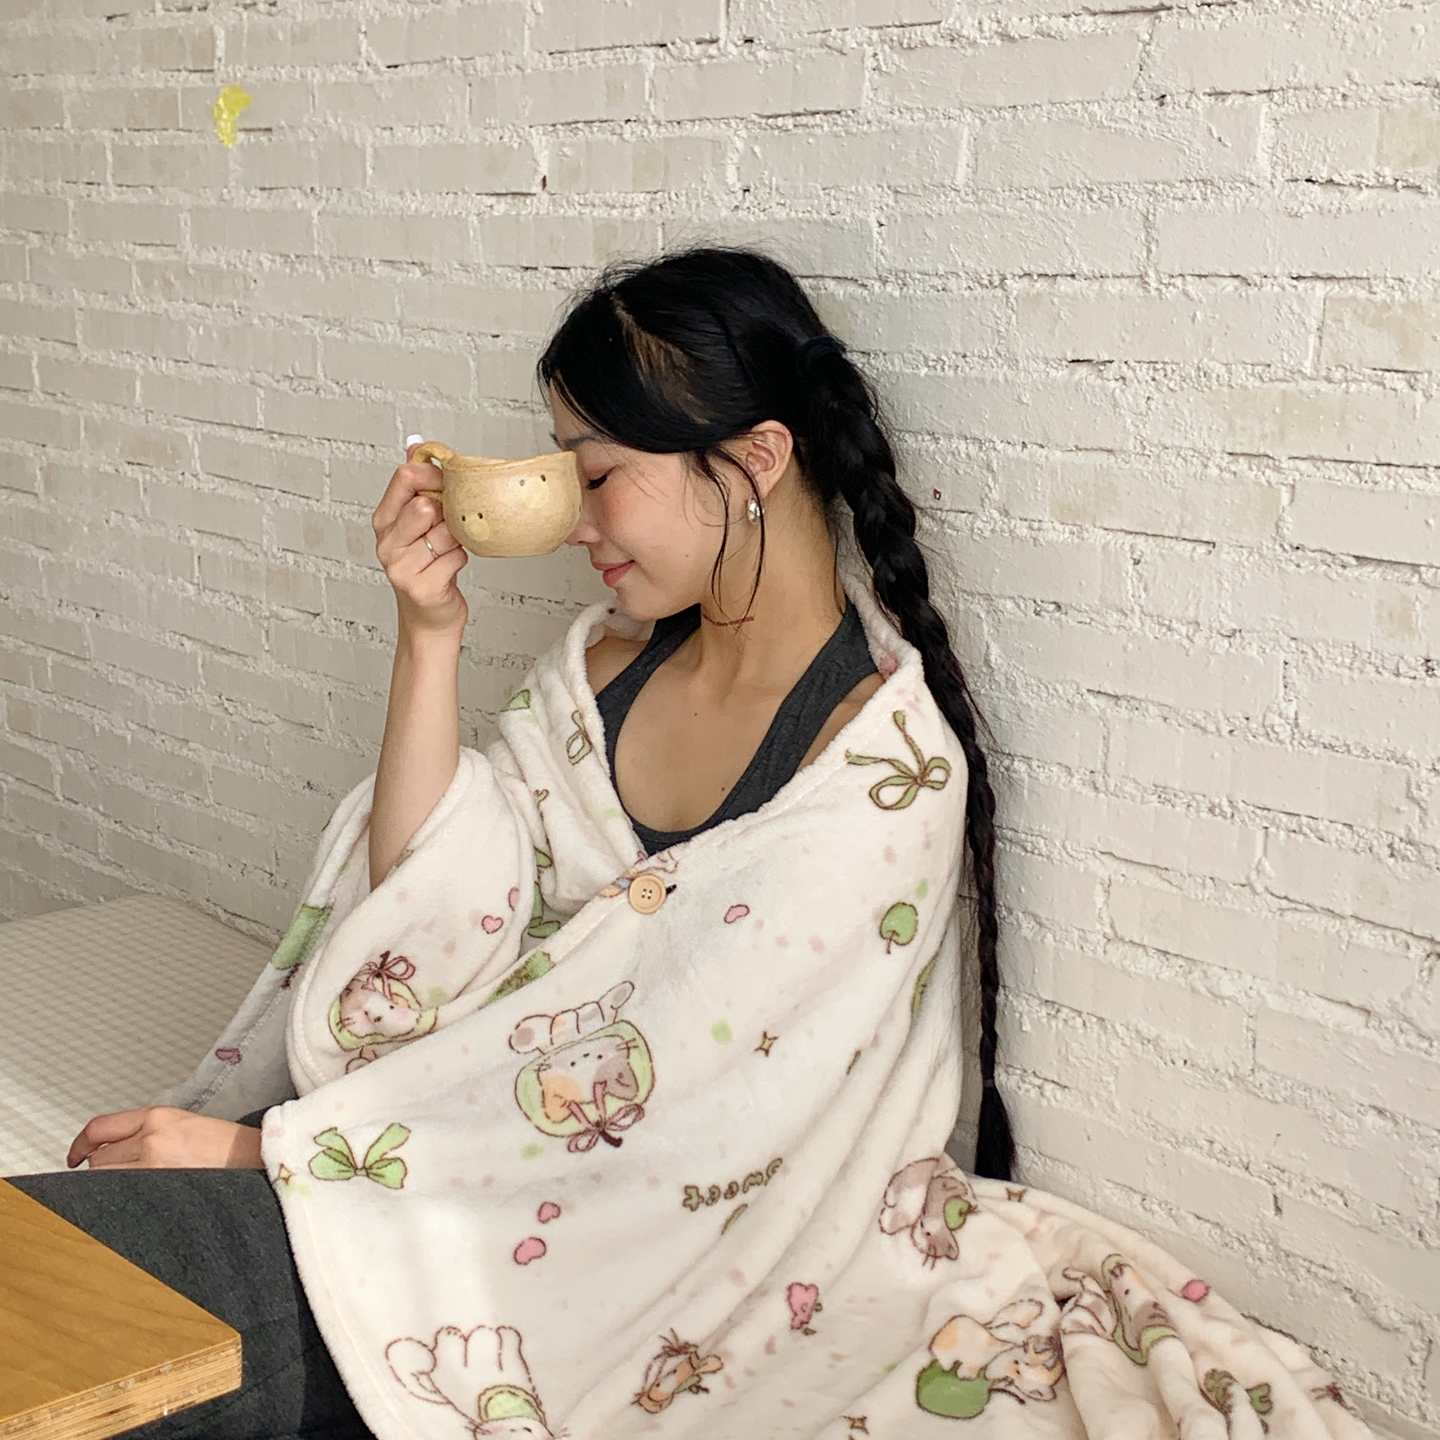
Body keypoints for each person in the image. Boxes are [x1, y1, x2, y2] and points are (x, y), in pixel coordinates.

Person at [6, 245, 1009, 1438]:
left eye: (601, 474)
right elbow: (424, 913)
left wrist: (266, 1157)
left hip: (560, 1279)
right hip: (410, 1189)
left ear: (755, 460)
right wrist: (427, 634)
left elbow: (683, 1122)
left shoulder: (874, 781)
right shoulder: (605, 673)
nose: (577, 520)